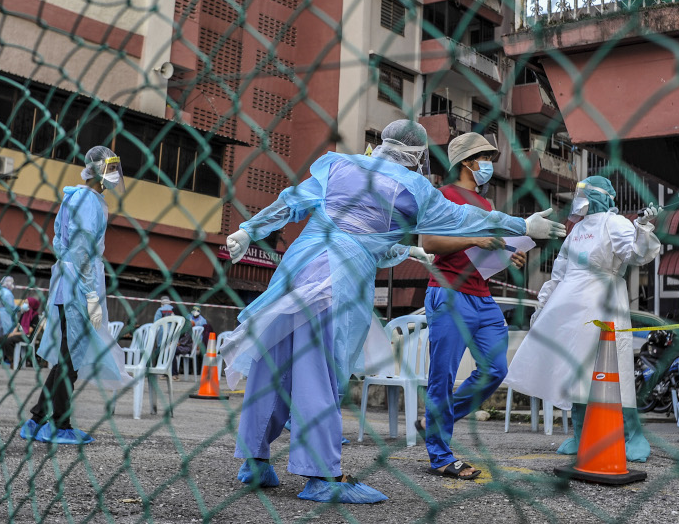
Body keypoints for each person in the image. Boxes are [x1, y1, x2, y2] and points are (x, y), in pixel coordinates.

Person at [220, 119, 566, 503]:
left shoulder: (339, 165)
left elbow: (295, 203)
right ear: (418, 155)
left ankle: (254, 460)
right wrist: (523, 223)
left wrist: (249, 229)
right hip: (338, 282)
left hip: (297, 271)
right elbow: (466, 219)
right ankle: (322, 476)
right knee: (320, 370)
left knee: (275, 362)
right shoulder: (415, 188)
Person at [502, 176, 661, 462]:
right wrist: (543, 305)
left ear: (603, 196)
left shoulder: (615, 223)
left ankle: (632, 434)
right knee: (575, 369)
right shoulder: (575, 231)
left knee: (614, 368)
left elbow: (636, 253)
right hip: (569, 308)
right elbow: (560, 273)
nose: (580, 197)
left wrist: (643, 229)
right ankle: (580, 433)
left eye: (586, 192)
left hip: (605, 303)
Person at [415, 132, 529, 480]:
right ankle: (440, 456)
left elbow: (486, 249)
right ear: (466, 162)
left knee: (495, 370)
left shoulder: (489, 206)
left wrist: (510, 253)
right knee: (443, 376)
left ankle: (434, 419)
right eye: (484, 157)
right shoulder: (443, 195)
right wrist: (475, 238)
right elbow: (429, 242)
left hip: (482, 296)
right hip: (448, 292)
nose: (489, 164)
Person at [21, 146, 130, 445]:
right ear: (94, 171)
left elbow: (61, 242)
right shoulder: (90, 202)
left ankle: (37, 419)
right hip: (78, 288)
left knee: (65, 358)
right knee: (71, 361)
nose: (112, 177)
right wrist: (90, 297)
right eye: (108, 170)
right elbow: (81, 250)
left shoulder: (74, 197)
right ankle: (60, 424)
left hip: (66, 286)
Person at [0, 296, 41, 366]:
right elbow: (18, 325)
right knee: (1, 339)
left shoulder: (35, 316)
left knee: (8, 340)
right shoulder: (24, 313)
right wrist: (13, 333)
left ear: (31, 304)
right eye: (24, 302)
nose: (24, 304)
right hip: (19, 334)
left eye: (26, 303)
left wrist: (15, 334)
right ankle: (5, 359)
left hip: (27, 337)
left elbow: (28, 331)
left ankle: (15, 360)